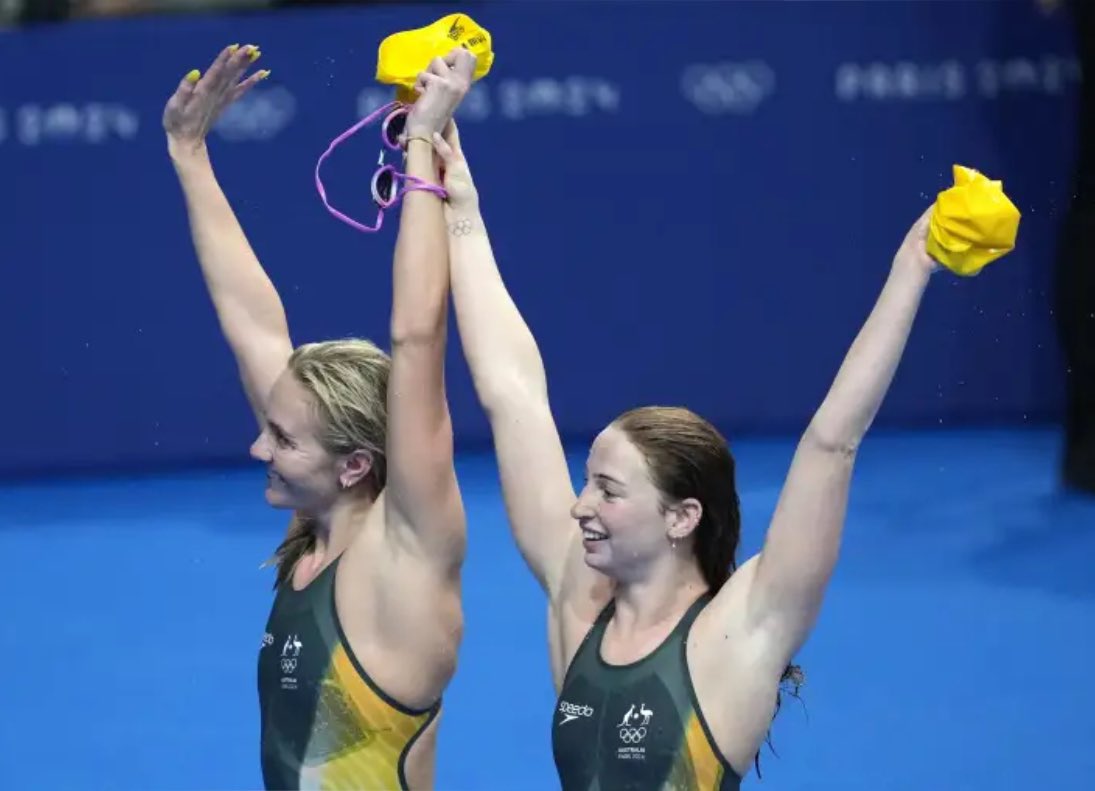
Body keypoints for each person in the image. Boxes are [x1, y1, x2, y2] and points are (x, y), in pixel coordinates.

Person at [431, 122, 951, 789]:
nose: (579, 504)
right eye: (588, 482)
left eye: (607, 490)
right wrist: (464, 211)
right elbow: (512, 395)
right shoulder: (578, 600)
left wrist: (912, 265)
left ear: (680, 516)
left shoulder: (743, 630)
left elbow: (831, 443)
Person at [162, 44, 476, 789]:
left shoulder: (405, 556)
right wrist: (189, 153)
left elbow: (418, 336)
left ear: (356, 462)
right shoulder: (319, 527)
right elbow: (253, 321)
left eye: (281, 438)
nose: (255, 446)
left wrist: (423, 145)